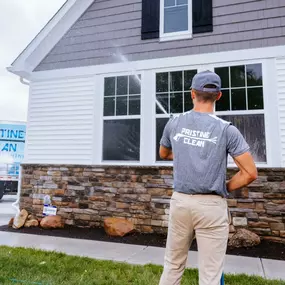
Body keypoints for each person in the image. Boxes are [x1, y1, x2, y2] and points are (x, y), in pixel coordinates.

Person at [158, 70, 258, 285]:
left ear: (192, 93)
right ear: (219, 96)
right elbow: (250, 173)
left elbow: (163, 154)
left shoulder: (175, 123)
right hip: (211, 206)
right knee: (211, 275)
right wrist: (225, 186)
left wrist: (186, 150)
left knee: (173, 266)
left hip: (181, 203)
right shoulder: (226, 130)